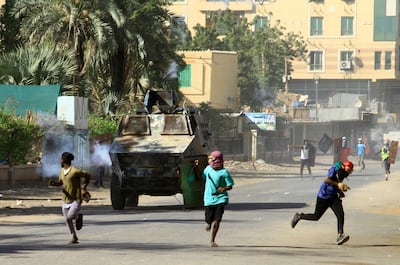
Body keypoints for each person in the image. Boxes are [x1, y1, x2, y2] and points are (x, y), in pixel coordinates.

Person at [291, 160, 354, 245]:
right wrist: (338, 185)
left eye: (350, 171)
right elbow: (327, 180)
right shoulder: (335, 169)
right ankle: (299, 216)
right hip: (324, 196)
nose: (349, 173)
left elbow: (338, 182)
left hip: (334, 197)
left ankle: (340, 235)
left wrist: (340, 191)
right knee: (316, 217)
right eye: (348, 171)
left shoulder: (343, 173)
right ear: (344, 168)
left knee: (340, 214)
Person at [48, 152, 91, 244]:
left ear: (64, 160)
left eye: (61, 159)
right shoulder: (62, 171)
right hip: (65, 199)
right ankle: (74, 236)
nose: (60, 160)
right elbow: (60, 183)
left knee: (70, 216)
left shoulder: (75, 171)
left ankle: (78, 216)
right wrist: (54, 183)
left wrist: (84, 187)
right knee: (67, 219)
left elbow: (88, 175)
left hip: (76, 198)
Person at [197, 150, 234, 247]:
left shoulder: (224, 172)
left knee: (217, 220)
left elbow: (230, 185)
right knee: (208, 219)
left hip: (221, 198)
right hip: (209, 198)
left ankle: (212, 240)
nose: (211, 161)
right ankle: (209, 223)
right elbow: (202, 177)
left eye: (212, 159)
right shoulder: (207, 169)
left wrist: (224, 188)